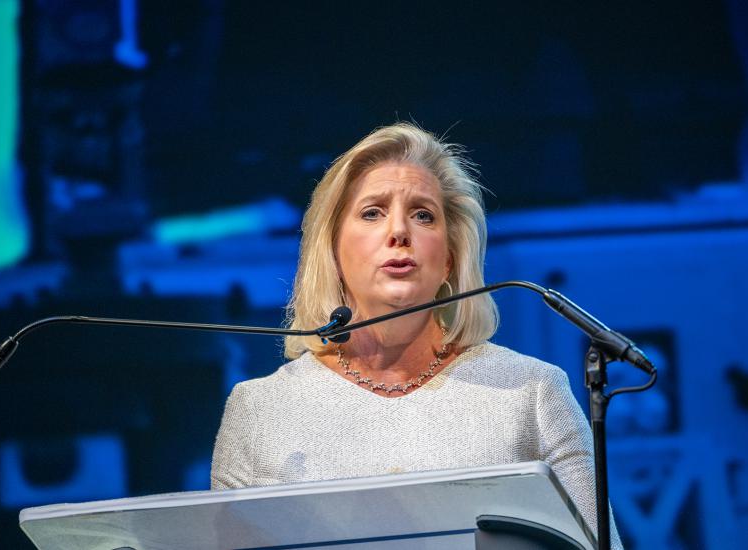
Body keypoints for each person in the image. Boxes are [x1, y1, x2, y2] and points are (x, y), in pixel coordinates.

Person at [211, 122, 622, 547]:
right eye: (372, 212)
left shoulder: (531, 392)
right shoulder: (259, 411)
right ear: (334, 250)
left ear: (448, 258)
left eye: (423, 215)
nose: (399, 232)